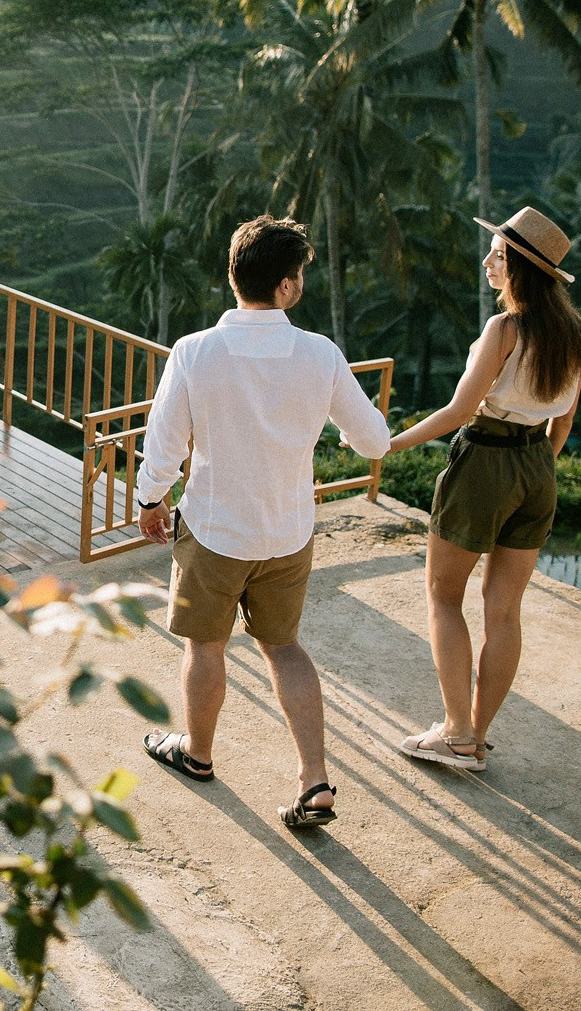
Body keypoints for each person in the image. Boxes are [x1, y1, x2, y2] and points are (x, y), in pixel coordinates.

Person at [134, 215, 391, 829]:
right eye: (299, 274)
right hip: (287, 531)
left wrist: (150, 501)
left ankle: (197, 755)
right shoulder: (320, 354)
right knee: (283, 648)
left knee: (205, 644)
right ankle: (315, 780)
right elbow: (374, 443)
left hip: (216, 529)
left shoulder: (195, 351)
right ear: (286, 287)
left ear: (233, 275)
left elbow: (164, 441)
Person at [383, 206, 581, 772]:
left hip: (486, 462)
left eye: (497, 254)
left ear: (520, 268)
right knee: (504, 612)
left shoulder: (505, 329)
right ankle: (474, 737)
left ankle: (455, 732)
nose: (487, 261)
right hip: (537, 468)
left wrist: (388, 445)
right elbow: (564, 424)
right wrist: (532, 468)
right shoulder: (576, 334)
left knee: (443, 597)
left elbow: (458, 410)